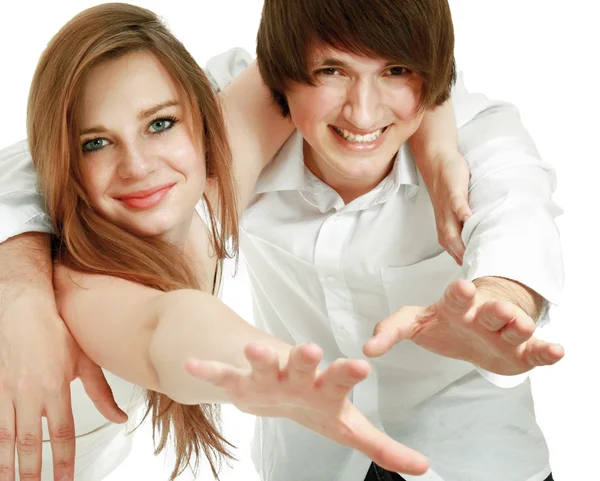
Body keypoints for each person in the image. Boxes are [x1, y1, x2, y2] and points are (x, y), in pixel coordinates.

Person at [0, 3, 473, 481]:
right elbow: (160, 331)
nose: (138, 166)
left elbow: (368, 59)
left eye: (160, 124)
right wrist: (258, 363)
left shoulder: (205, 195)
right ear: (62, 161)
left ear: (206, 116)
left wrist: (436, 148)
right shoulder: (78, 283)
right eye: (95, 143)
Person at [181, 0, 565, 480]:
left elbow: (519, 208)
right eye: (332, 70)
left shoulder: (475, 131)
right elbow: (88, 130)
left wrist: (501, 299)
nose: (362, 113)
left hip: (472, 456)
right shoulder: (231, 100)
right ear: (280, 71)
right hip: (309, 459)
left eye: (395, 70)